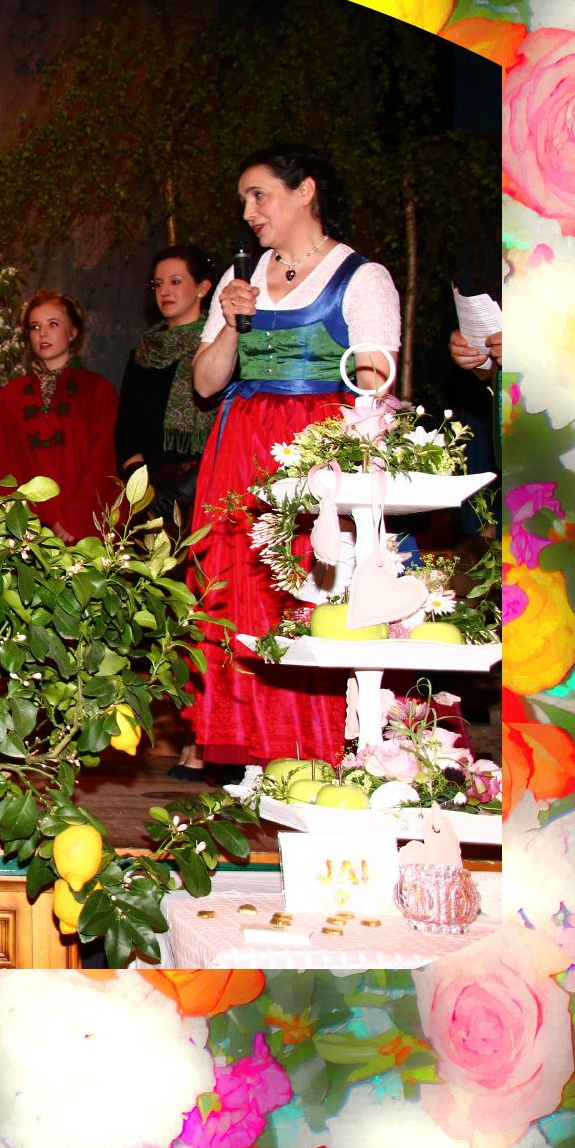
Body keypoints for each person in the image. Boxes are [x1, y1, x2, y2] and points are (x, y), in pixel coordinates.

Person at [186, 144, 400, 769]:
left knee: (309, 590)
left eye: (259, 196)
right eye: (243, 201)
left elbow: (375, 383)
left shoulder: (361, 277)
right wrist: (231, 323)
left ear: (304, 191)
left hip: (317, 451)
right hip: (240, 449)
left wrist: (355, 466)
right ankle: (255, 753)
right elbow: (205, 383)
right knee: (239, 594)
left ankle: (321, 749)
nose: (248, 212)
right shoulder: (240, 280)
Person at [0, 289, 119, 540]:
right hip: (25, 531)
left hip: (84, 527)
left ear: (73, 332)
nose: (42, 333)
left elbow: (103, 461)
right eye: (35, 327)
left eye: (53, 324)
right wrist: (22, 521)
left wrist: (73, 520)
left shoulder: (99, 391)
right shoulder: (8, 398)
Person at [116, 247, 218, 524]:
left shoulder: (221, 345)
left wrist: (191, 484)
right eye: (158, 284)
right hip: (152, 495)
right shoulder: (144, 351)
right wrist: (143, 487)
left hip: (210, 486)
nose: (164, 291)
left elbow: (233, 422)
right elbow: (127, 429)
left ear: (202, 288)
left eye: (175, 281)